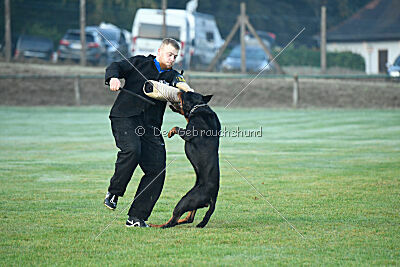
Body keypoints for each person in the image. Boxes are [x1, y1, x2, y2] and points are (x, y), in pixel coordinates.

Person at [103, 38, 192, 227]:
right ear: (159, 51)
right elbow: (115, 66)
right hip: (125, 117)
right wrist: (113, 78)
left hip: (150, 127)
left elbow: (182, 85)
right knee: (132, 151)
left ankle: (136, 218)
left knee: (157, 170)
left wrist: (189, 92)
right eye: (169, 54)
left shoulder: (173, 76)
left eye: (175, 56)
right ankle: (114, 192)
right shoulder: (139, 63)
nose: (172, 59)